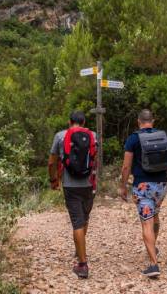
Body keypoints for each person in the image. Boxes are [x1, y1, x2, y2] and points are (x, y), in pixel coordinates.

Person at [118, 109, 167, 278]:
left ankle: (153, 265)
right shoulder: (164, 136)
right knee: (155, 216)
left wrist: (123, 186)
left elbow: (126, 167)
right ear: (153, 120)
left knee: (146, 222)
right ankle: (154, 246)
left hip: (142, 186)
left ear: (139, 121)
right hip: (161, 185)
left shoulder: (133, 139)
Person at [48, 111, 97, 279]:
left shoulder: (60, 136)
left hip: (70, 185)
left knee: (77, 222)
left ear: (69, 122)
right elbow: (94, 159)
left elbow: (52, 161)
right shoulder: (93, 135)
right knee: (84, 219)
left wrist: (53, 179)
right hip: (89, 185)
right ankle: (79, 250)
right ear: (83, 122)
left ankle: (82, 265)